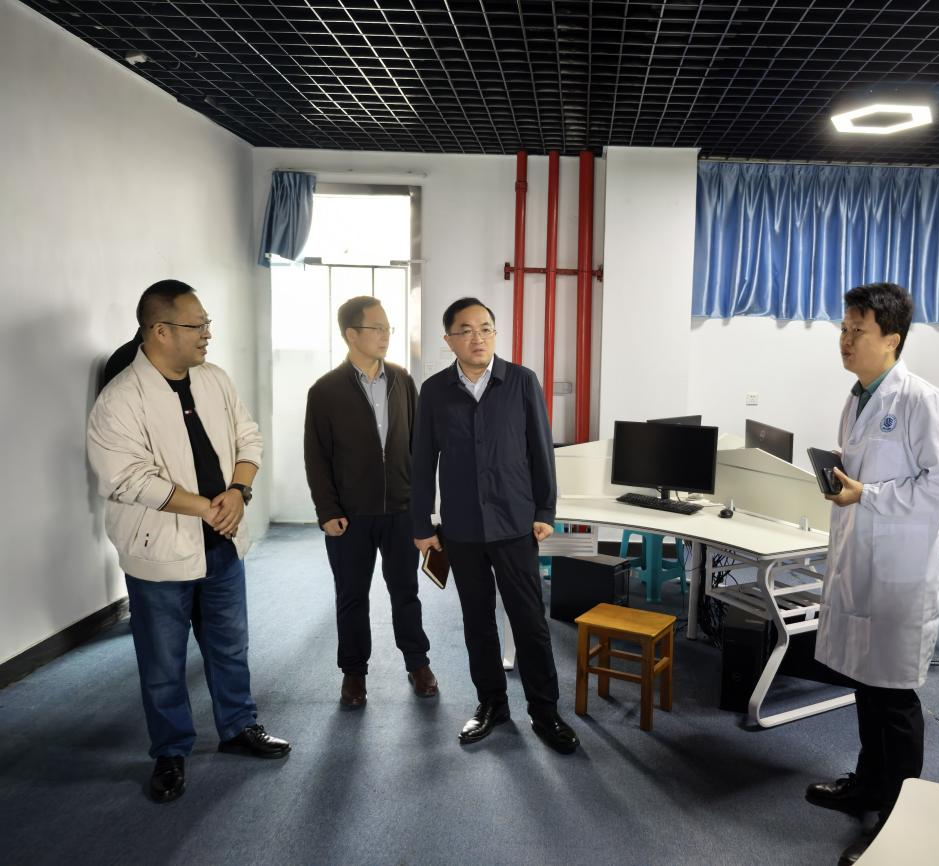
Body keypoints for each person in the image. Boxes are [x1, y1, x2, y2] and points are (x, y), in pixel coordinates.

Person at [87, 279, 290, 804]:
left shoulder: (214, 379)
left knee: (230, 647)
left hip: (221, 544)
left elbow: (248, 436)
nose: (207, 334)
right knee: (163, 662)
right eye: (197, 325)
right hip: (158, 552)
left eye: (207, 324)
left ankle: (238, 727)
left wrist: (239, 492)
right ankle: (170, 751)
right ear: (159, 331)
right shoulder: (119, 399)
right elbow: (127, 479)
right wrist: (207, 506)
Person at [806, 282, 939, 865]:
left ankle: (901, 817)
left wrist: (868, 494)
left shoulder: (923, 400)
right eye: (843, 330)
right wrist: (844, 481)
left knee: (894, 699)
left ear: (892, 339)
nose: (845, 340)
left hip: (900, 571)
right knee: (866, 686)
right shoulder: (857, 396)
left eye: (858, 331)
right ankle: (869, 786)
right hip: (863, 561)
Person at [410, 297, 579, 754]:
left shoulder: (521, 381)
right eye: (466, 330)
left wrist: (545, 511)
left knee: (529, 621)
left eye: (485, 328)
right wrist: (421, 524)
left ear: (495, 333)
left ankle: (545, 711)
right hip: (462, 529)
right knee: (477, 621)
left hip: (514, 525)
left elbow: (541, 450)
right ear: (449, 340)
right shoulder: (434, 391)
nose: (478, 337)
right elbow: (421, 462)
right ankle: (492, 704)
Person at [304, 296, 436, 708]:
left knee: (406, 591)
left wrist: (422, 509)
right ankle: (354, 673)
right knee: (352, 596)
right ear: (351, 334)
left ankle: (418, 663)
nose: (385, 336)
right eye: (376, 328)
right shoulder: (325, 391)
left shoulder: (402, 381)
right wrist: (327, 511)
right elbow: (316, 457)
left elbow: (419, 448)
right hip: (350, 515)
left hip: (401, 511)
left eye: (387, 328)